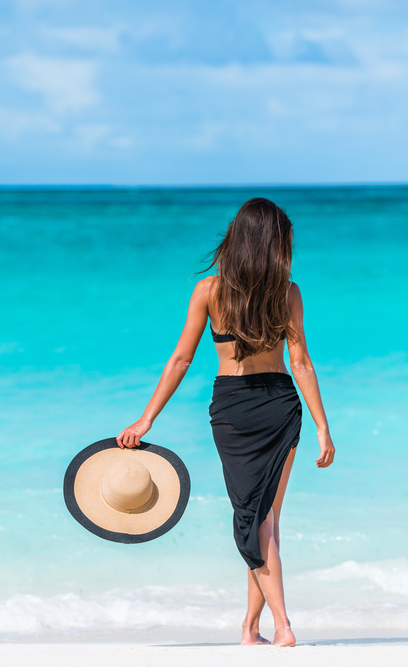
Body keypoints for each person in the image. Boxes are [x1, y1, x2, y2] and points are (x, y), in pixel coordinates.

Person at [116, 197, 336, 647]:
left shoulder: (210, 291)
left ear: (237, 239)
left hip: (233, 411)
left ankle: (282, 625)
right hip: (280, 405)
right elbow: (301, 364)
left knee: (257, 520)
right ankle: (250, 628)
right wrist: (320, 425)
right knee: (264, 519)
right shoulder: (287, 292)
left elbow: (180, 360)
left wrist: (147, 418)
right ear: (276, 243)